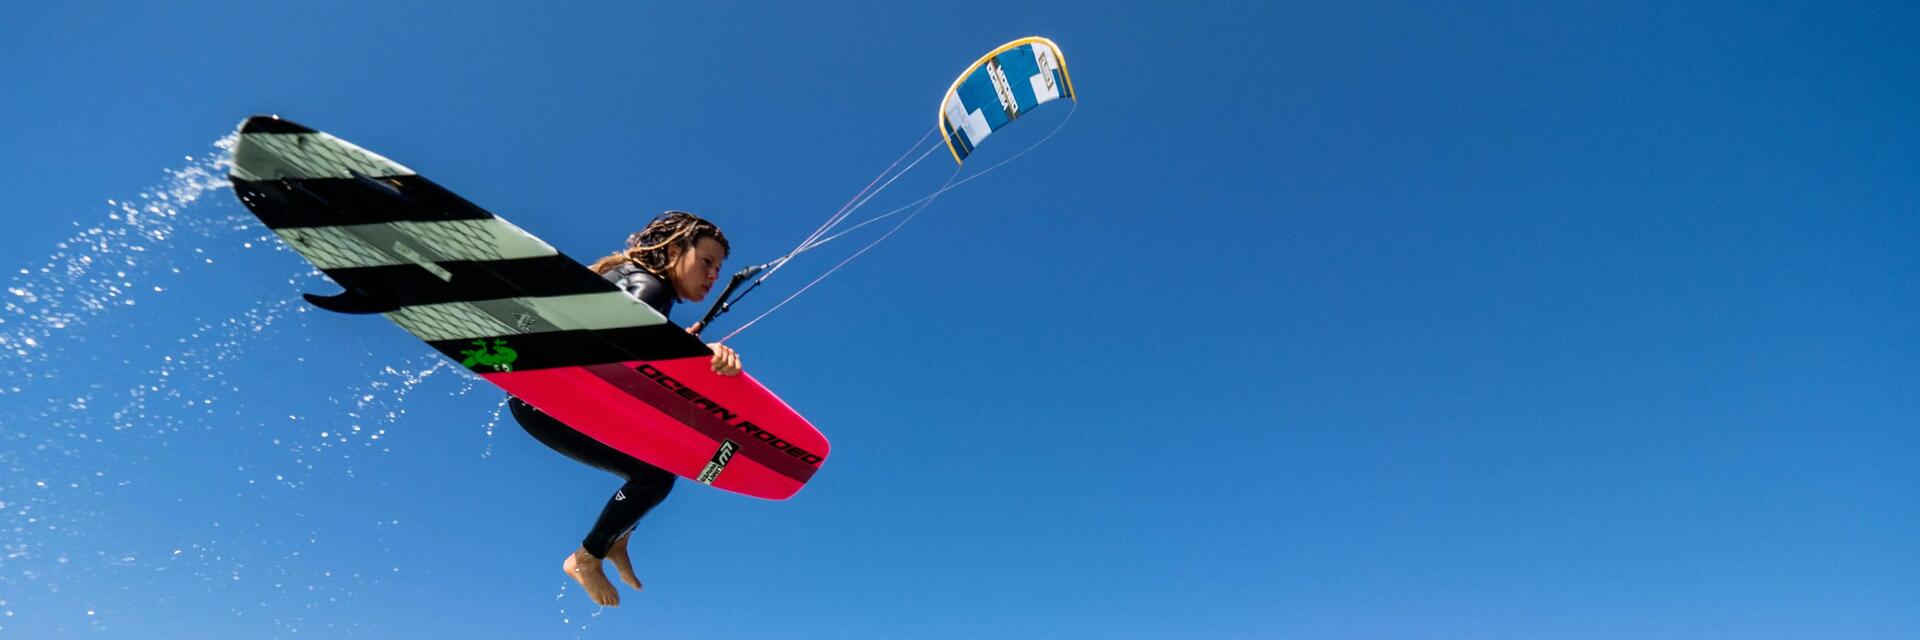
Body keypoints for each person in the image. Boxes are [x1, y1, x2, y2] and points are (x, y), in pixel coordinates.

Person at [507, 210, 743, 606]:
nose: (713, 275)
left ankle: (614, 540)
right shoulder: (650, 287)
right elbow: (619, 352)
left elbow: (624, 342)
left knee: (655, 471)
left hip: (545, 399)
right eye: (706, 262)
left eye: (718, 269)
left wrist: (677, 348)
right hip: (547, 403)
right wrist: (696, 353)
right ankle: (586, 559)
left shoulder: (641, 285)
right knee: (655, 476)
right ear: (672, 249)